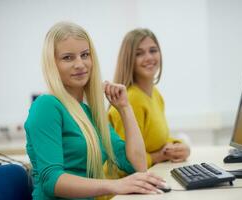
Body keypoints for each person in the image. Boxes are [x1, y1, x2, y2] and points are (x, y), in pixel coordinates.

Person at [24, 22, 166, 200]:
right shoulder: (46, 107)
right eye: (68, 58)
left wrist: (124, 108)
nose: (80, 64)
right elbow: (52, 181)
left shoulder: (89, 113)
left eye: (85, 55)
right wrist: (115, 185)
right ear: (52, 64)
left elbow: (137, 165)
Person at [108, 28, 190, 170]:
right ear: (129, 60)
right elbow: (124, 162)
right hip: (120, 188)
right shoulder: (131, 100)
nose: (149, 57)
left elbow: (158, 140)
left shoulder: (155, 94)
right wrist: (159, 156)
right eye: (139, 53)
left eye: (153, 50)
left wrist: (179, 146)